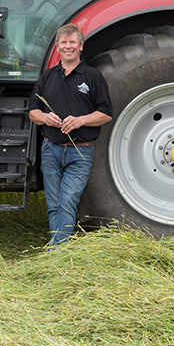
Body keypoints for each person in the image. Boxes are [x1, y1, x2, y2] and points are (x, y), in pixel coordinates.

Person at [28, 24, 113, 246]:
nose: (68, 47)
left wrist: (80, 120)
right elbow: (33, 112)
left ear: (81, 46)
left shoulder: (93, 77)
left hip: (80, 151)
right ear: (57, 47)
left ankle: (57, 252)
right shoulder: (47, 77)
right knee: (54, 204)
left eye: (72, 42)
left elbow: (105, 114)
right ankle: (60, 251)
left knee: (67, 203)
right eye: (63, 43)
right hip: (51, 150)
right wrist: (45, 118)